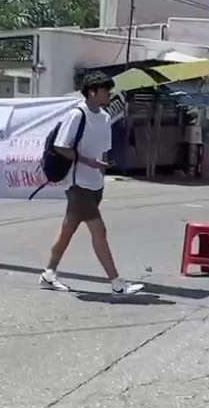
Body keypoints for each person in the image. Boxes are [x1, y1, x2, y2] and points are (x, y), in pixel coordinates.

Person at [39, 72, 144, 296]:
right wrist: (88, 161)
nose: (109, 94)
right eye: (105, 90)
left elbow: (103, 150)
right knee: (99, 230)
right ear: (92, 92)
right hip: (78, 184)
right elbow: (61, 147)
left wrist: (104, 165)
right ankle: (117, 283)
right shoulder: (77, 115)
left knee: (67, 230)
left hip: (95, 183)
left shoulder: (105, 117)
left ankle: (48, 273)